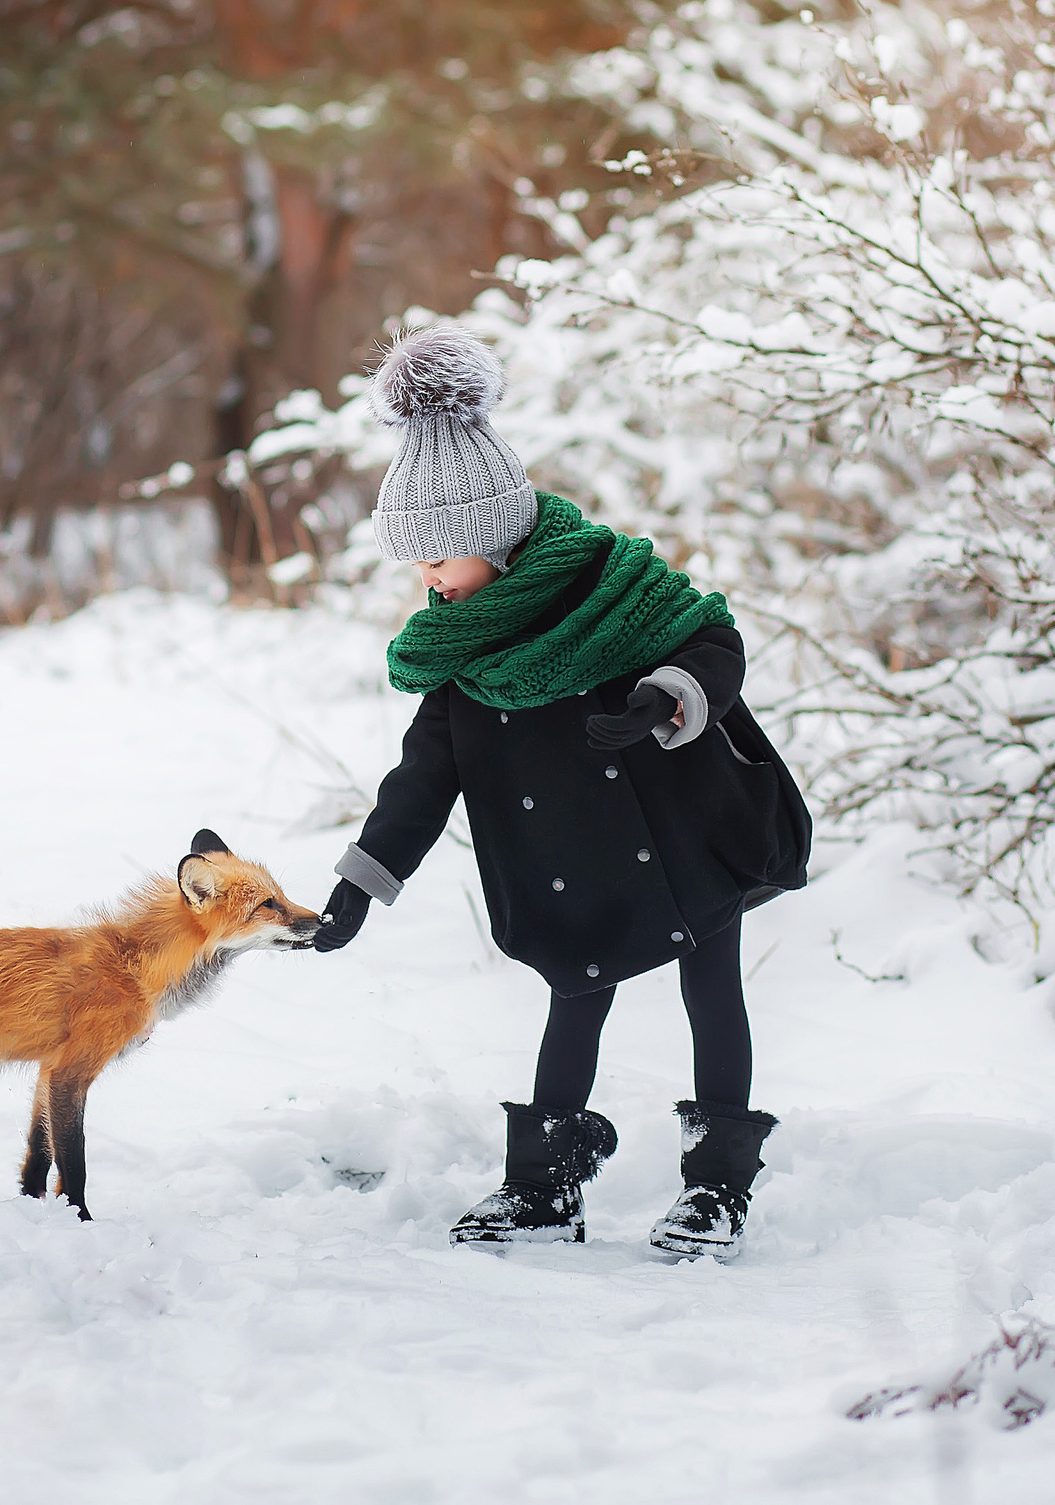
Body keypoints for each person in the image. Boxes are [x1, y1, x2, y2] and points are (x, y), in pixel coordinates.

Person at [312, 321, 813, 1259]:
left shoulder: (609, 588)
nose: (427, 578)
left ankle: (717, 1190)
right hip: (579, 866)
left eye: (439, 556)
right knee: (574, 999)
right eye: (415, 559)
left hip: (686, 835)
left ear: (492, 539)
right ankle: (545, 1189)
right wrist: (360, 884)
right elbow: (422, 782)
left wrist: (668, 698)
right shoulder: (459, 655)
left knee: (714, 993)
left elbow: (714, 644)